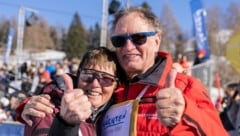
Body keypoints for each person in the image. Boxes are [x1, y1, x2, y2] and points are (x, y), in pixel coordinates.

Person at [18, 7, 227, 136]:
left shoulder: (184, 88)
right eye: (119, 40)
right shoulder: (110, 87)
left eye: (138, 38)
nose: (128, 47)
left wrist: (186, 111)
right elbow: (71, 89)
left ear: (157, 40)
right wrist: (33, 103)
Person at [16, 47, 124, 136]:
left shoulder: (116, 115)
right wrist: (64, 123)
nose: (95, 84)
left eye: (106, 78)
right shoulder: (46, 108)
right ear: (78, 77)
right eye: (88, 75)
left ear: (116, 86)